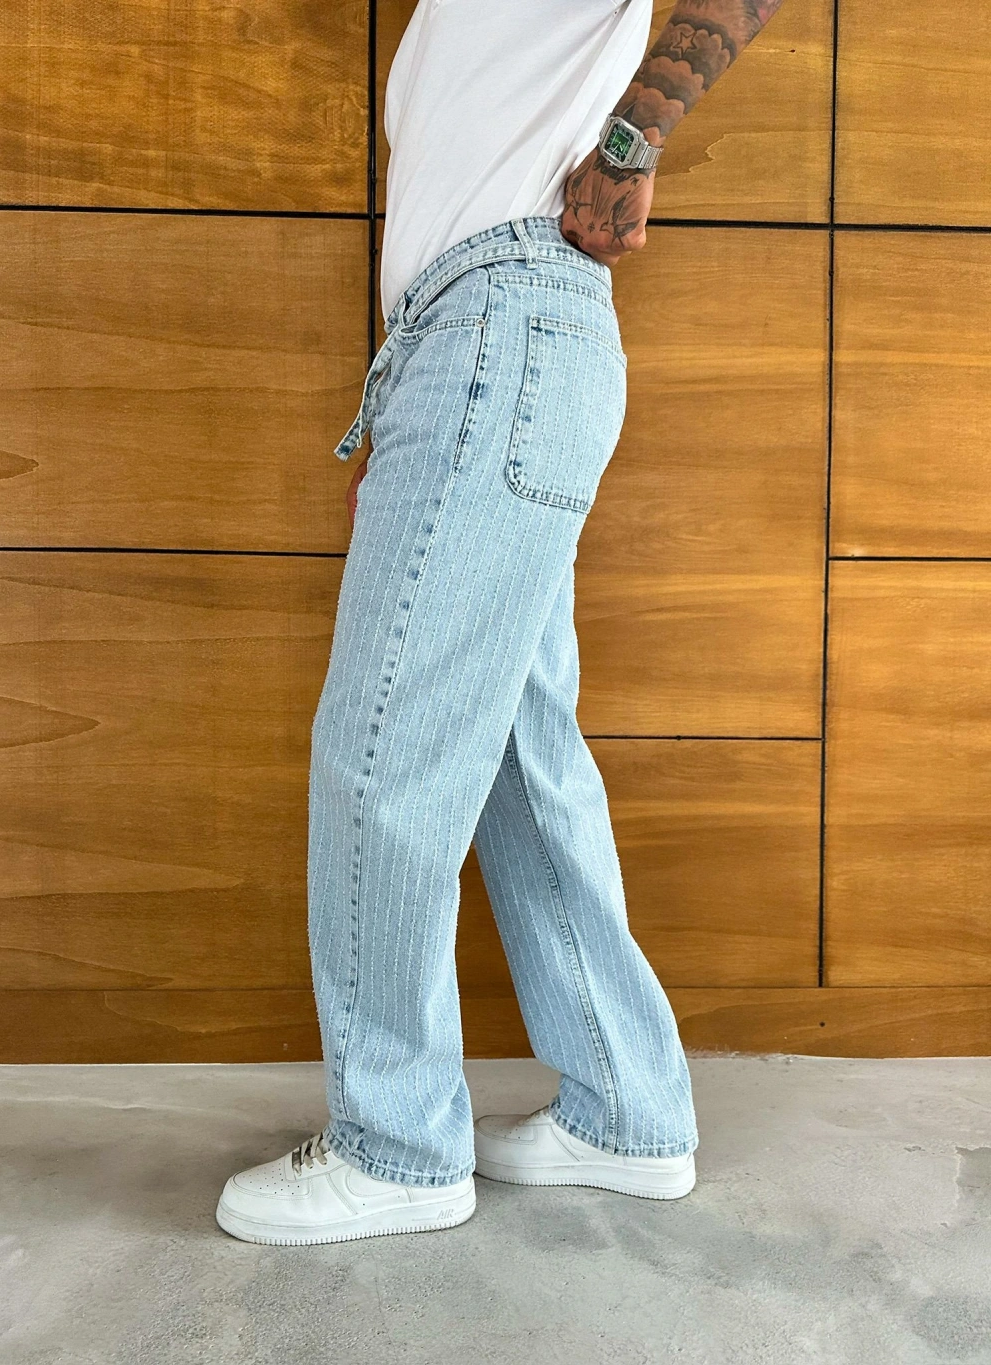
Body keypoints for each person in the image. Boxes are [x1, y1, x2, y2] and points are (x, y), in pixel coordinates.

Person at [217, 0, 785, 1246]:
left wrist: (633, 139)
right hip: (473, 348)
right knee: (523, 760)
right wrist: (409, 405)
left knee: (382, 755)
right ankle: (626, 1111)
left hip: (502, 328)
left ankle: (396, 1148)